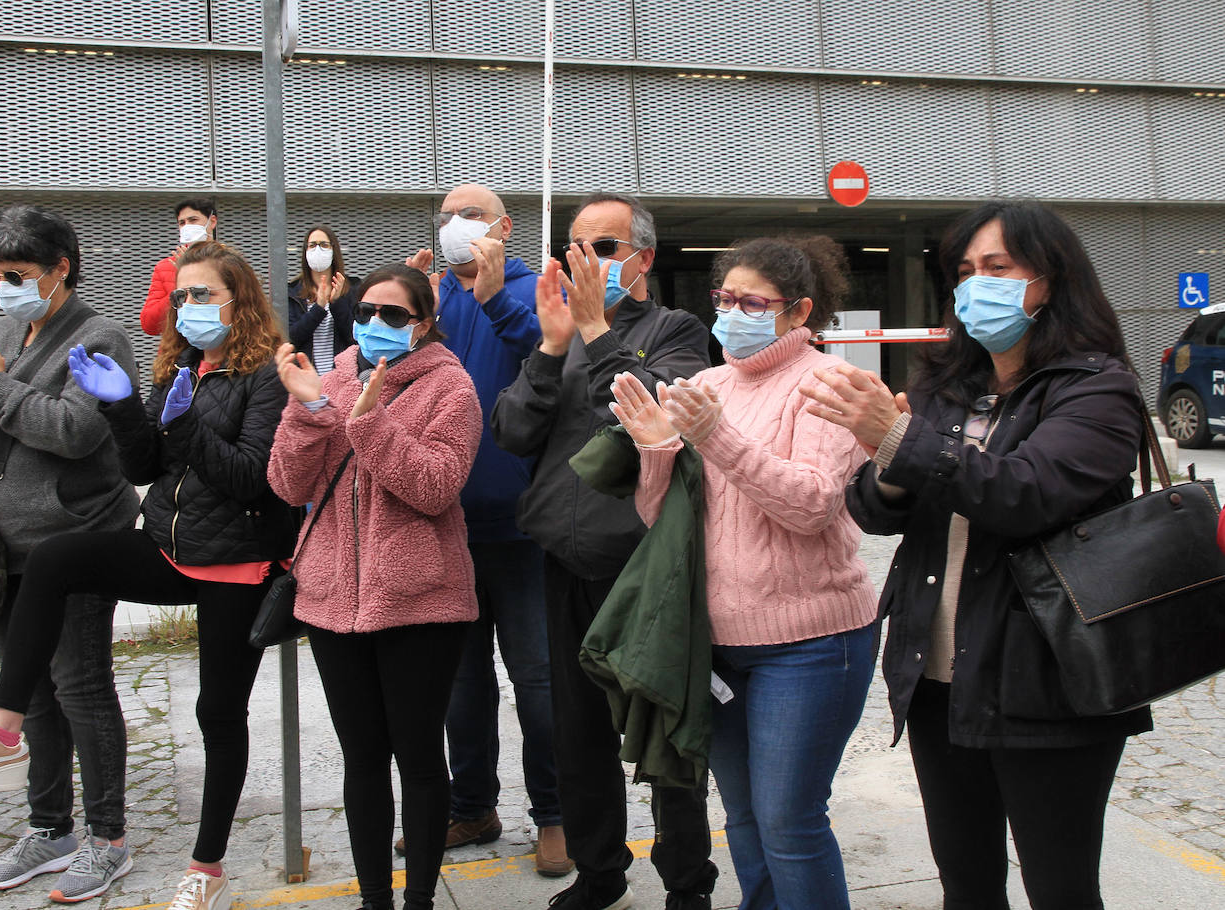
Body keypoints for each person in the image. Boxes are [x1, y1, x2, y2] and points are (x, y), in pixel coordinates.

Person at [0, 239, 297, 910]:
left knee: (217, 711)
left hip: (237, 563)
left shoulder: (266, 373)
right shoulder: (177, 364)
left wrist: (183, 428)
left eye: (202, 294)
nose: (187, 306)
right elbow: (144, 468)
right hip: (173, 549)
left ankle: (206, 867)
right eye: (180, 295)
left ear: (242, 301)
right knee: (62, 557)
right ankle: (0, 735)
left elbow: (250, 480)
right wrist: (123, 408)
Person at [801, 200, 1151, 910]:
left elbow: (1024, 494)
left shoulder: (1097, 390)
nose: (974, 284)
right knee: (964, 880)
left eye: (997, 267)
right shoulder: (945, 388)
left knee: (1060, 886)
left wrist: (901, 439)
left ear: (1049, 279)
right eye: (964, 270)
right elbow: (872, 509)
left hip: (1048, 678)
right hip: (936, 676)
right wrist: (891, 458)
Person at [607, 237, 878, 909]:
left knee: (791, 821)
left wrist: (717, 438)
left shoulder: (828, 384)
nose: (732, 313)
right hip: (721, 646)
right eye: (723, 299)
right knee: (746, 820)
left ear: (798, 311)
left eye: (752, 302)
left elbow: (813, 504)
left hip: (811, 642)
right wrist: (657, 451)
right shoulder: (705, 384)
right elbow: (663, 519)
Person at [491, 193, 717, 910]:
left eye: (605, 248)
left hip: (644, 566)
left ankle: (688, 881)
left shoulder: (676, 329)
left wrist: (593, 331)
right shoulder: (555, 331)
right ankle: (599, 871)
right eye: (576, 246)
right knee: (576, 732)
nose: (586, 261)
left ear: (643, 259)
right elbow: (513, 432)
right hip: (563, 560)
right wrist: (554, 346)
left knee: (663, 731)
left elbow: (649, 411)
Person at [0, 204, 141, 900]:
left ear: (61, 267)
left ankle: (107, 838)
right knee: (31, 690)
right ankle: (50, 827)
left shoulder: (99, 334)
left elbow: (74, 431)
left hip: (68, 542)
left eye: (16, 274)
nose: (3, 287)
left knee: (80, 688)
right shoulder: (4, 331)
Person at [268, 262, 482, 910]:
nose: (376, 325)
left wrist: (370, 424)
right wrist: (310, 412)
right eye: (365, 313)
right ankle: (374, 900)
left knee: (418, 757)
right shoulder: (329, 381)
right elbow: (288, 485)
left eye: (394, 315)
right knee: (362, 759)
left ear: (423, 324)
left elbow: (436, 486)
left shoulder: (452, 389)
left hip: (421, 602)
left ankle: (419, 897)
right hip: (334, 603)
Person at [397, 183, 568, 874]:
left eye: (468, 216)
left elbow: (553, 363)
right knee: (460, 685)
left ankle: (555, 814)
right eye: (446, 217)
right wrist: (407, 315)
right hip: (446, 525)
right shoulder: (437, 295)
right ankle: (471, 806)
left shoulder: (532, 291)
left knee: (539, 681)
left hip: (524, 530)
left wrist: (498, 300)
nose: (454, 227)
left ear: (503, 226)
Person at [142, 197, 219, 336]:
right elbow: (150, 325)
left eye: (193, 220)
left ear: (212, 222)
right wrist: (181, 284)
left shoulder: (229, 262)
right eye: (182, 223)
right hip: (178, 352)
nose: (187, 226)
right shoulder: (166, 266)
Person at [288, 224, 356, 373]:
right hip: (306, 376)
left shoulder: (352, 289)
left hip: (341, 376)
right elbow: (292, 338)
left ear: (334, 250)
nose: (317, 249)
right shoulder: (292, 293)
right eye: (312, 245)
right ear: (305, 251)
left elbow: (354, 338)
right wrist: (318, 308)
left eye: (324, 245)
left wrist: (336, 303)